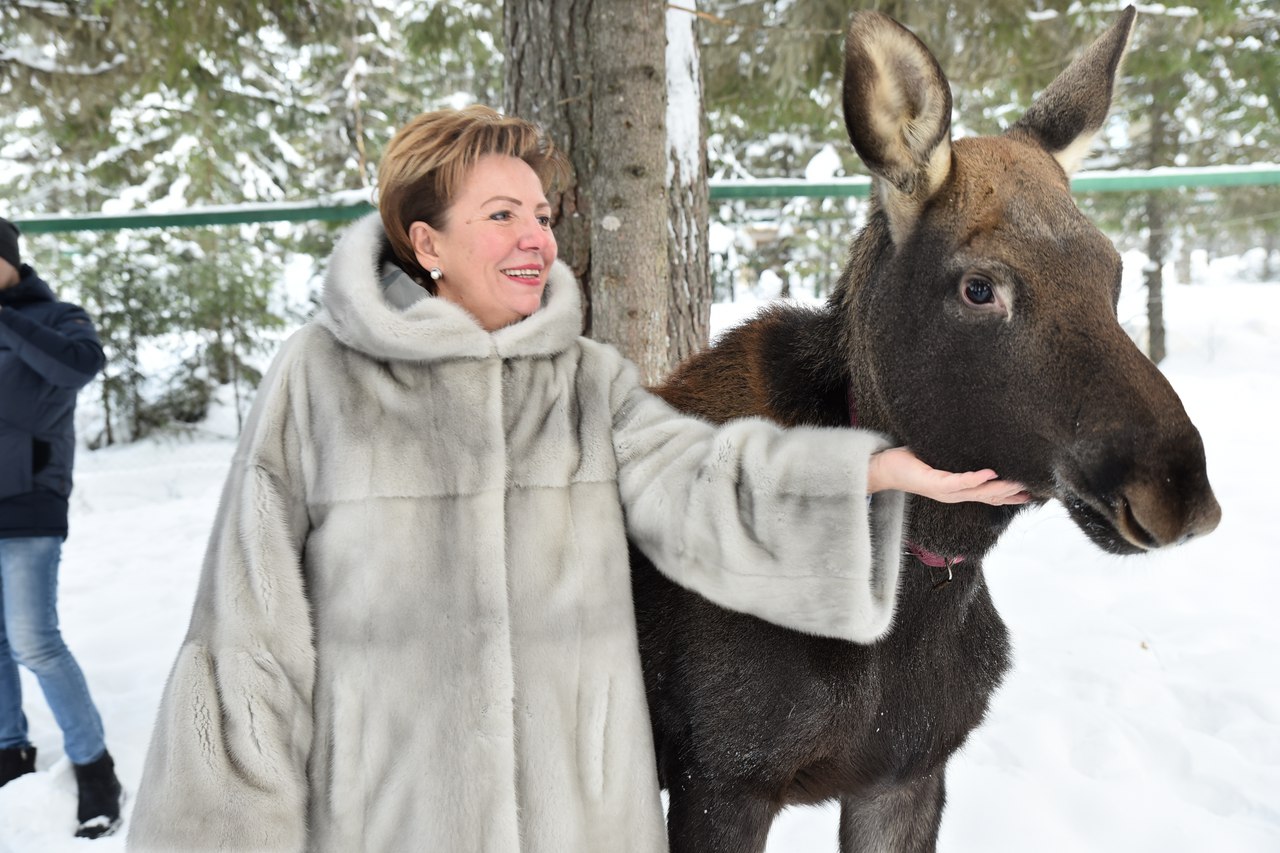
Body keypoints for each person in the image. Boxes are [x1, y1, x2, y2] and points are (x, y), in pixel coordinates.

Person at [128, 106, 1027, 852]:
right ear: (425, 240)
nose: (536, 239)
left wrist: (872, 470)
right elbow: (247, 628)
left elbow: (703, 483)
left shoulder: (583, 380)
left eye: (542, 216)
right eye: (502, 216)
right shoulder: (321, 380)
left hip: (573, 816)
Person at [0, 217, 123, 839]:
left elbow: (77, 368)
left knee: (35, 642)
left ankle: (95, 767)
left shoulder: (57, 318)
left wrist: (4, 319)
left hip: (29, 503)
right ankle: (8, 751)